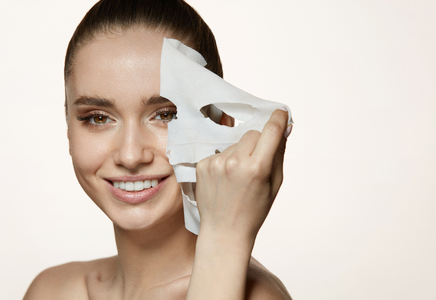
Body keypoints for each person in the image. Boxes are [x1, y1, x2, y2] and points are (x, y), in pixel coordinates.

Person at [23, 0, 292, 299]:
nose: (130, 155)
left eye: (166, 115)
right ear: (68, 127)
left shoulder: (257, 295)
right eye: (98, 118)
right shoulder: (51, 291)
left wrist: (226, 238)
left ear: (222, 124)